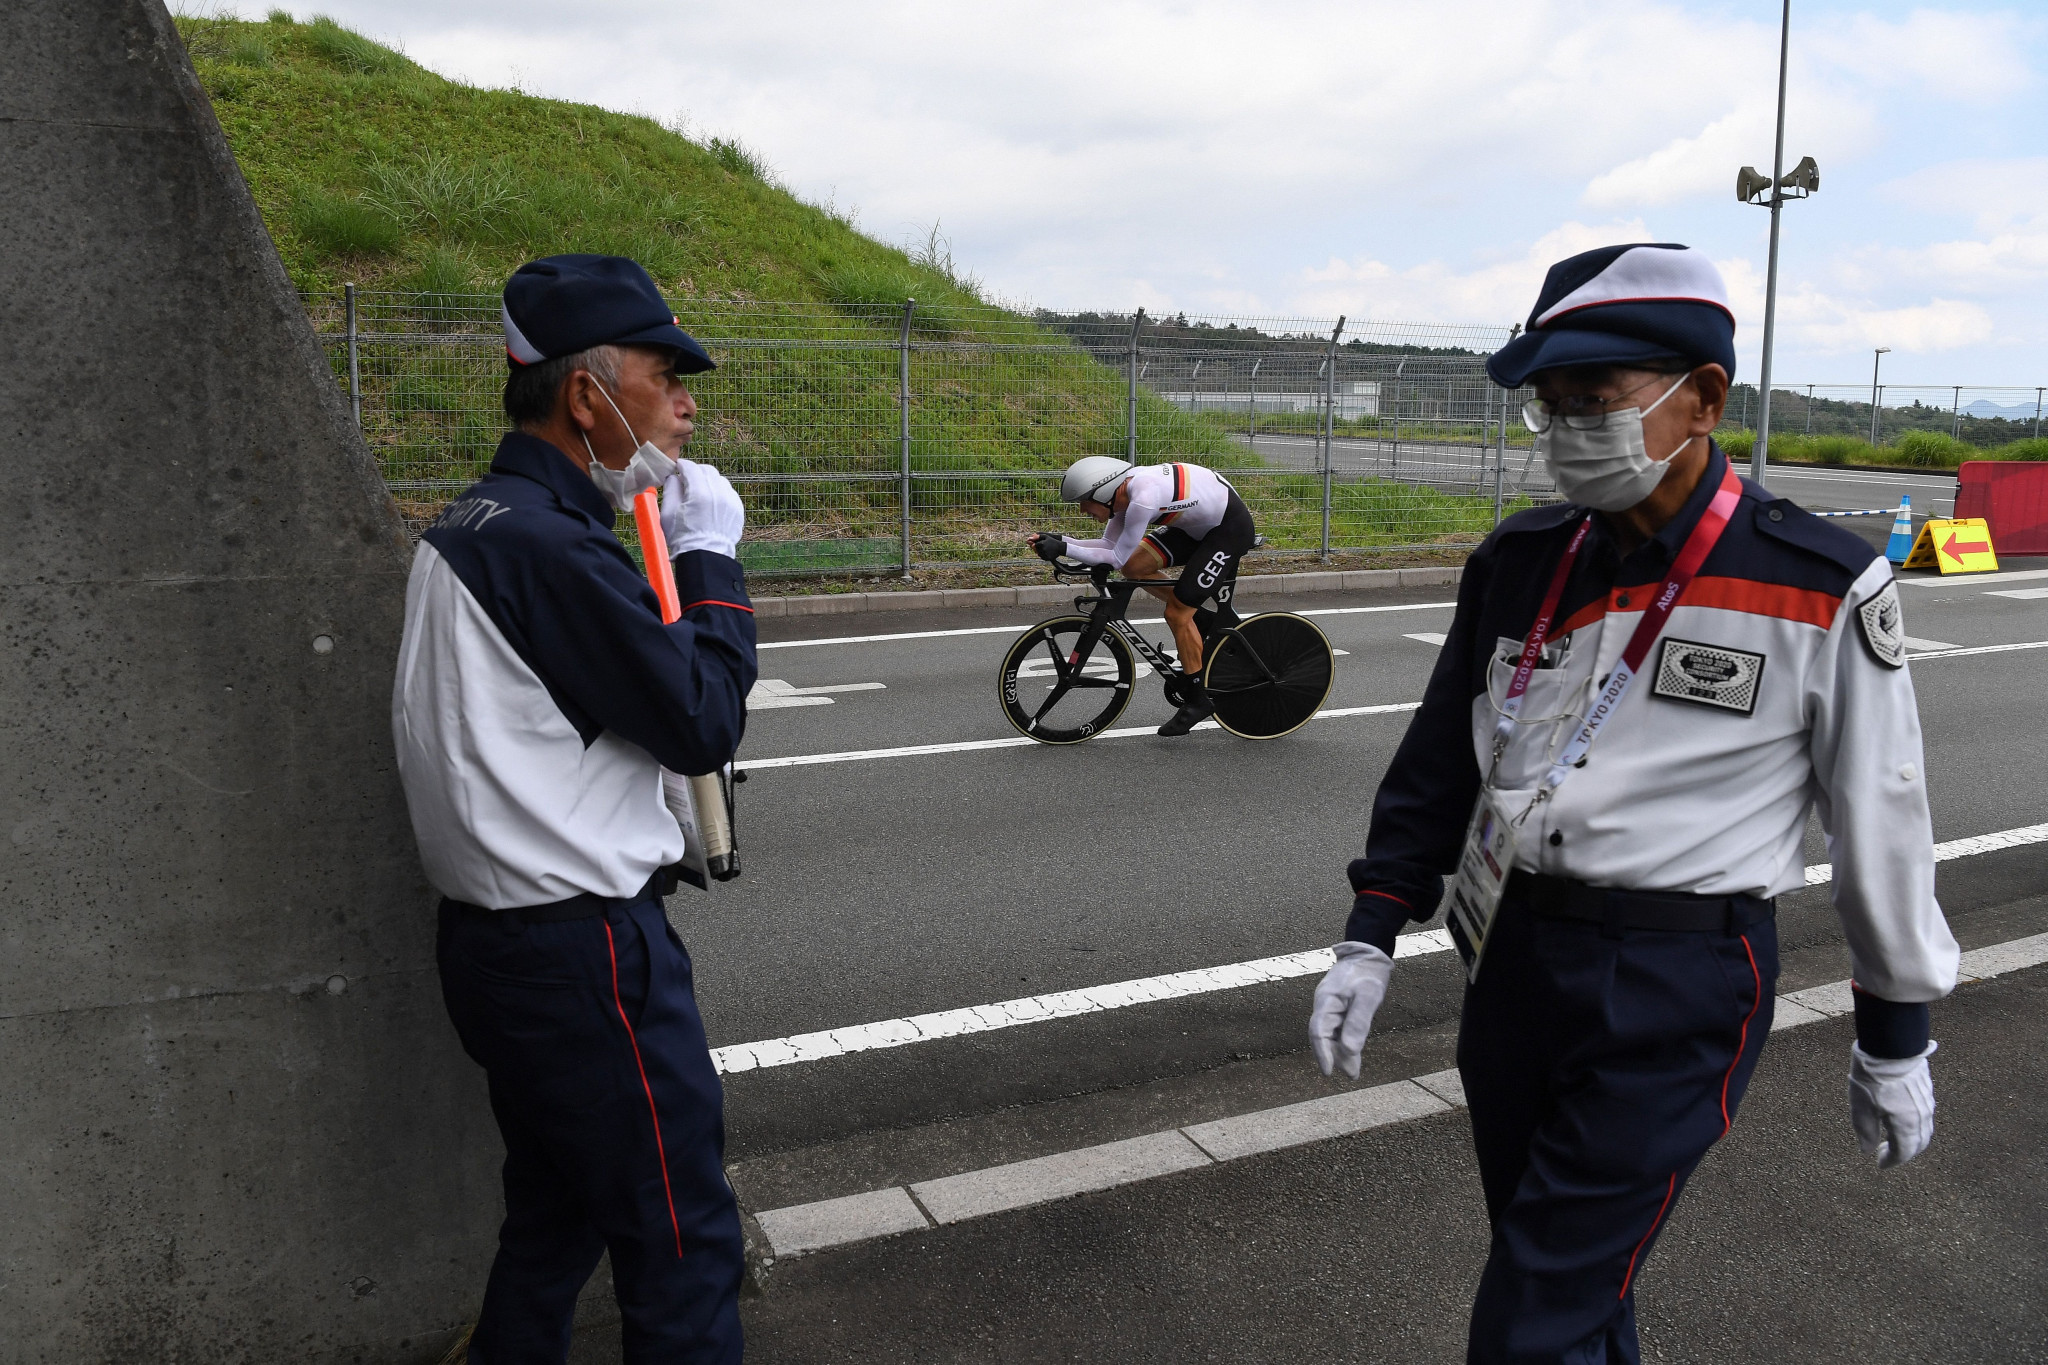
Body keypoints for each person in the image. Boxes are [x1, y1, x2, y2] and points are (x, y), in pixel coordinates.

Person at [1305, 243, 1959, 1364]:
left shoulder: (1815, 582)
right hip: (1509, 956)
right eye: (1547, 408)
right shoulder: (1520, 558)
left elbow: (1880, 820)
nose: (1563, 432)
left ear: (1700, 399)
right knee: (1560, 1270)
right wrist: (1372, 930)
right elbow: (1438, 760)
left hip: (1674, 983)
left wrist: (1893, 1029)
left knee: (1530, 1318)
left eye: (1592, 403)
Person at [392, 254, 756, 1364]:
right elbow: (698, 719)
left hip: (504, 952)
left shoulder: (473, 521)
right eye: (666, 374)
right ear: (587, 394)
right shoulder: (550, 551)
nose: (688, 402)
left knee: (553, 1217)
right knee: (682, 1248)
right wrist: (709, 559)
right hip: (587, 957)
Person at [1030, 456, 1258, 735]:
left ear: (1102, 493)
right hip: (1195, 528)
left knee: (1176, 613)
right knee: (1135, 567)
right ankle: (1198, 619)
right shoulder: (1123, 495)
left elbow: (1112, 557)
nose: (1081, 510)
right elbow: (1109, 545)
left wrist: (1063, 548)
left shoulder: (1142, 500)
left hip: (1228, 530)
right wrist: (1060, 541)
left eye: (1083, 502)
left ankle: (1199, 700)